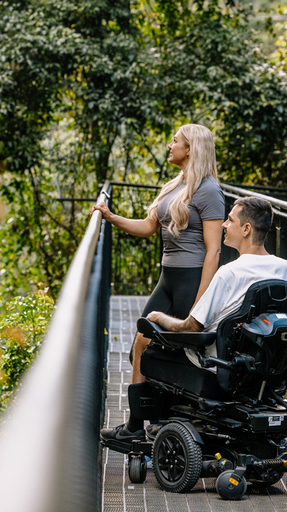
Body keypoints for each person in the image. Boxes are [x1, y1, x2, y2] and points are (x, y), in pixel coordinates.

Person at [100, 196, 287, 441]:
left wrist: (159, 318)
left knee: (144, 336)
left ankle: (134, 428)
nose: (224, 225)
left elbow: (192, 325)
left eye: (230, 220)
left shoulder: (229, 272)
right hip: (261, 368)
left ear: (246, 229)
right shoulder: (285, 269)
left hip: (218, 365)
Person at [92, 124, 224, 385]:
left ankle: (164, 420)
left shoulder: (209, 191)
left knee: (176, 354)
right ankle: (136, 424)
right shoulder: (176, 185)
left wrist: (201, 301)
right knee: (140, 345)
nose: (169, 145)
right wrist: (110, 216)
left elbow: (215, 250)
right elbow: (148, 226)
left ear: (189, 149)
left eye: (174, 141)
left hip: (191, 279)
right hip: (168, 277)